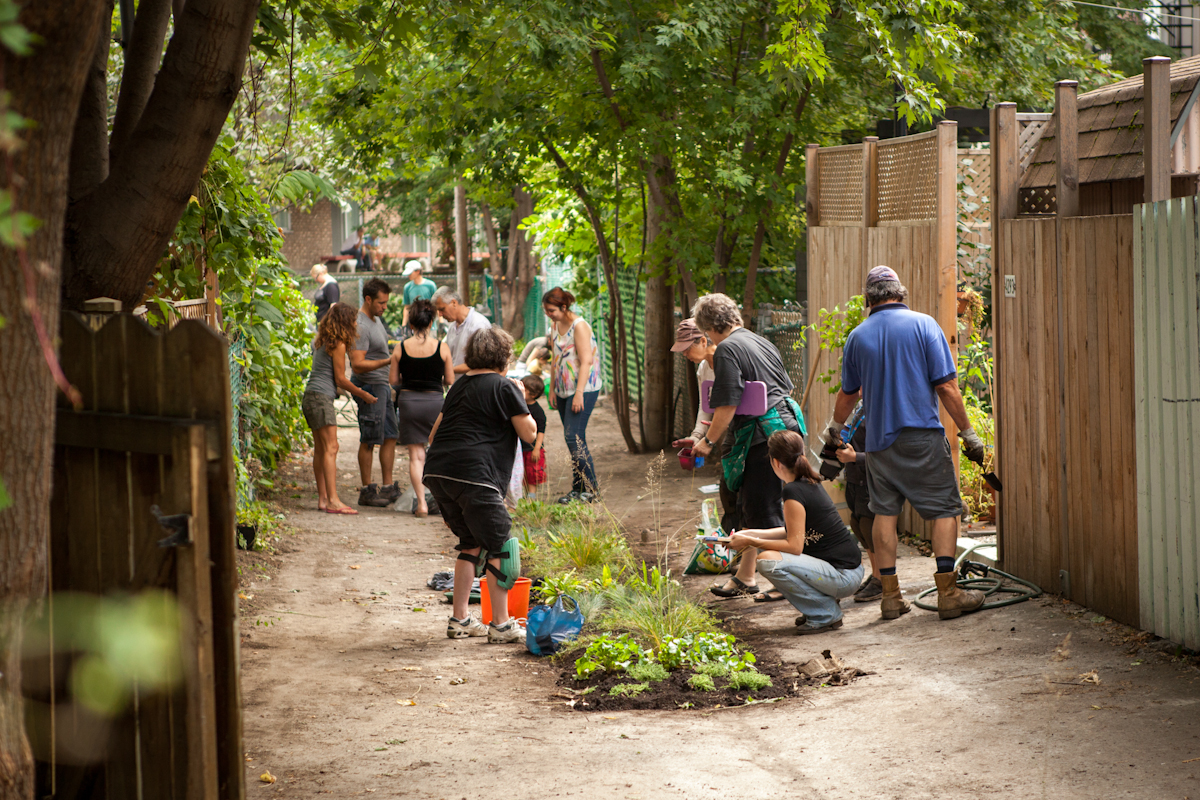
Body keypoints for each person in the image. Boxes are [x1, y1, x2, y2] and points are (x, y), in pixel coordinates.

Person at [829, 265, 987, 621]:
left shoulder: (858, 336)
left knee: (884, 512)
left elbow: (849, 392)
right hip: (922, 437)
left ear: (869, 299)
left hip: (881, 442)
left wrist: (834, 427)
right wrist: (968, 433)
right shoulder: (924, 325)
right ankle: (948, 593)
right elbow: (946, 386)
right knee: (945, 510)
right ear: (900, 292)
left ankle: (890, 597)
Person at [689, 293, 806, 598]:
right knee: (753, 508)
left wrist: (708, 442)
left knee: (764, 511)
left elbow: (727, 404)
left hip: (764, 436)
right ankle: (745, 577)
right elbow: (786, 386)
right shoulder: (760, 340)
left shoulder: (727, 348)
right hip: (789, 425)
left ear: (707, 328)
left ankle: (787, 583)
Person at [424, 326, 536, 644]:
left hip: (438, 473)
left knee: (470, 543)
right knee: (502, 546)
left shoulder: (460, 385)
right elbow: (529, 434)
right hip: (476, 476)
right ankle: (500, 625)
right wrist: (521, 398)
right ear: (504, 358)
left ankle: (460, 619)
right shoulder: (504, 386)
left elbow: (434, 434)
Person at [728, 430, 864, 635]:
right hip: (850, 571)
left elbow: (794, 545)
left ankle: (824, 613)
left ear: (775, 463)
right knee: (769, 555)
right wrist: (747, 535)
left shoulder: (792, 491)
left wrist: (752, 542)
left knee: (767, 561)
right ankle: (821, 607)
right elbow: (790, 531)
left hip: (843, 577)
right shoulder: (807, 482)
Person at [301, 303, 378, 515]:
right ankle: (333, 500)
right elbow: (341, 380)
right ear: (345, 321)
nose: (355, 323)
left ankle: (323, 499)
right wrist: (362, 393)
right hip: (321, 398)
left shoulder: (322, 341)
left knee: (321, 449)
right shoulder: (339, 344)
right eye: (353, 319)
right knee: (332, 447)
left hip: (310, 397)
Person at [389, 298, 455, 517]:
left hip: (409, 403)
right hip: (435, 402)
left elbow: (393, 380)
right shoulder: (441, 347)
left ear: (411, 323)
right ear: (431, 322)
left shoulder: (400, 347)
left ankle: (421, 505)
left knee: (416, 455)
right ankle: (438, 499)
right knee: (436, 452)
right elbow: (450, 379)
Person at [544, 286, 603, 503]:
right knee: (575, 439)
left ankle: (591, 490)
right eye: (547, 310)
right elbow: (555, 357)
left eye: (552, 310)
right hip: (562, 389)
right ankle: (578, 490)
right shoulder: (555, 324)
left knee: (573, 437)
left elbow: (586, 360)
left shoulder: (579, 326)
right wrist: (551, 388)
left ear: (564, 306)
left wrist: (579, 393)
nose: (549, 314)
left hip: (583, 389)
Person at [350, 278, 400, 507]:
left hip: (382, 386)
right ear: (368, 299)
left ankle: (388, 487)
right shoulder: (360, 325)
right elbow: (357, 364)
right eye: (381, 303)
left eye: (386, 302)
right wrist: (388, 361)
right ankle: (367, 490)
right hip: (369, 387)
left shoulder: (375, 320)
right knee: (369, 438)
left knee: (390, 435)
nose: (384, 307)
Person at [837, 419, 883, 602]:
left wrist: (856, 457)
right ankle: (876, 574)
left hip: (870, 480)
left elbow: (886, 455)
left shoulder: (880, 410)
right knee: (858, 526)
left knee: (869, 527)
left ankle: (882, 580)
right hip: (855, 480)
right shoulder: (860, 408)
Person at [433, 286, 491, 374]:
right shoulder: (452, 327)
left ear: (454, 303)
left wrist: (448, 370)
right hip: (458, 384)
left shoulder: (479, 324)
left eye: (442, 309)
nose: (440, 314)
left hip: (474, 385)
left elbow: (481, 363)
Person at [519, 374, 548, 496]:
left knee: (532, 473)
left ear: (533, 395)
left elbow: (541, 430)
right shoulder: (518, 405)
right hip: (520, 448)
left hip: (532, 449)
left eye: (524, 390)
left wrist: (537, 448)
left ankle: (531, 498)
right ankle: (525, 498)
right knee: (522, 474)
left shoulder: (537, 411)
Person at [401, 260, 436, 327]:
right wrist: (404, 324)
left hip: (430, 325)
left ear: (418, 271)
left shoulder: (431, 285)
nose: (409, 275)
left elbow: (435, 305)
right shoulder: (407, 287)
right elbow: (407, 307)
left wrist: (441, 322)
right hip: (415, 325)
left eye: (410, 273)